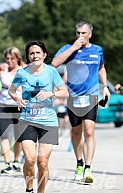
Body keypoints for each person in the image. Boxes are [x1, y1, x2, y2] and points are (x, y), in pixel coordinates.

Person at [8, 40, 68, 193]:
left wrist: (51, 93)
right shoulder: (22, 73)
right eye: (32, 53)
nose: (35, 56)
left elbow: (65, 92)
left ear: (44, 55)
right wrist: (17, 98)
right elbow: (11, 91)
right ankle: (29, 191)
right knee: (29, 158)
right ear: (28, 56)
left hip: (48, 122)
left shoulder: (51, 72)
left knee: (42, 162)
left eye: (38, 52)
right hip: (27, 120)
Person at [52, 21, 110, 183]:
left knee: (89, 131)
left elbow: (101, 68)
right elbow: (55, 63)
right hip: (73, 96)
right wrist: (73, 48)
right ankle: (79, 163)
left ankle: (88, 168)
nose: (80, 36)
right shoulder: (67, 49)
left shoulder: (97, 50)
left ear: (90, 34)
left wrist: (104, 86)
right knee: (76, 132)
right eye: (78, 33)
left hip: (91, 94)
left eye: (83, 33)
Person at [0, 47, 25, 173]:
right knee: (4, 135)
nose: (9, 61)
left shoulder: (23, 69)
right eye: (7, 58)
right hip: (4, 105)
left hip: (18, 106)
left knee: (19, 136)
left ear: (17, 58)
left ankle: (16, 161)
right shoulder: (2, 69)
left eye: (12, 59)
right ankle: (7, 163)